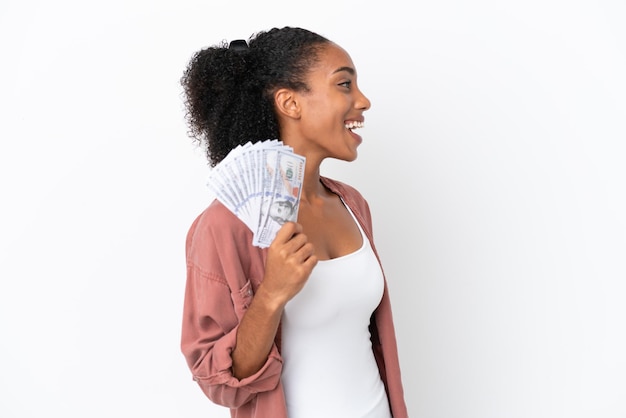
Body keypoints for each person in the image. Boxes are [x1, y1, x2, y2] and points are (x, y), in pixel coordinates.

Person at [180, 26, 408, 418]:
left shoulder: (353, 204)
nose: (363, 100)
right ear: (290, 103)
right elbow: (219, 382)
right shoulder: (225, 226)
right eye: (344, 85)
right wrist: (271, 294)